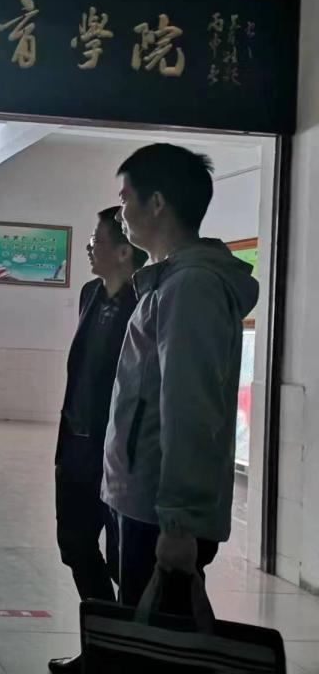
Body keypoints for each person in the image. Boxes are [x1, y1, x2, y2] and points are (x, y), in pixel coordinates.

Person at [103, 143, 259, 613]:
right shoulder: (169, 279)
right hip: (143, 495)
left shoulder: (191, 286)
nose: (121, 213)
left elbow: (190, 406)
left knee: (154, 637)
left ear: (156, 203)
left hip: (160, 510)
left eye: (126, 199)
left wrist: (179, 523)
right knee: (136, 626)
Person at [48, 207, 147, 674]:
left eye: (96, 242)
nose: (89, 249)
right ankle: (104, 645)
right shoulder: (90, 293)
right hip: (77, 446)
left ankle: (125, 652)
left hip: (122, 454)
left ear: (124, 251)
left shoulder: (147, 299)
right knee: (75, 544)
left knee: (127, 561)